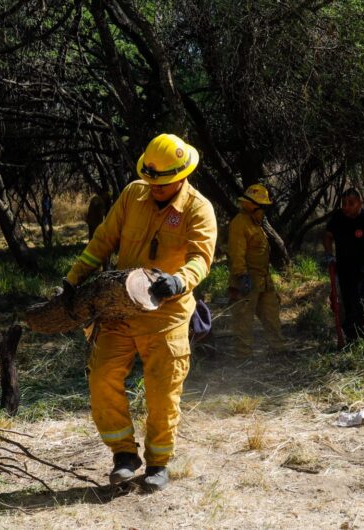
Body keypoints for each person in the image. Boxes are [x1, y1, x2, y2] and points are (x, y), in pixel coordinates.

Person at [61, 133, 217, 492]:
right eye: (150, 180)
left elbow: (201, 258)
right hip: (119, 310)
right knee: (102, 377)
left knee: (162, 391)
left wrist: (179, 281)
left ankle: (158, 462)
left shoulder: (198, 209)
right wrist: (72, 278)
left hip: (167, 316)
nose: (154, 188)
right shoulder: (134, 194)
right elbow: (103, 239)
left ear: (181, 176)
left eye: (162, 183)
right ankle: (124, 455)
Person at [322, 188, 364, 341]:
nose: (346, 207)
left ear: (360, 203)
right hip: (342, 268)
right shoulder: (337, 218)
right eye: (344, 203)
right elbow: (327, 236)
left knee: (360, 302)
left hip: (363, 270)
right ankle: (348, 338)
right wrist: (328, 253)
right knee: (344, 303)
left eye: (351, 203)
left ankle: (363, 338)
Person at [227, 184, 285, 357]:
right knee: (243, 319)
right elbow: (237, 252)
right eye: (263, 206)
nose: (264, 210)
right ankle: (242, 356)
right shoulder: (240, 223)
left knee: (271, 314)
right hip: (246, 279)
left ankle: (278, 349)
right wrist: (241, 275)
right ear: (253, 205)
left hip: (263, 280)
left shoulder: (257, 223)